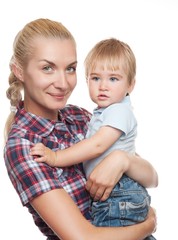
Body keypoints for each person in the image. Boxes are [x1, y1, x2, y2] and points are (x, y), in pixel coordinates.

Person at [4, 18, 158, 240]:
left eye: (70, 69)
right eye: (47, 68)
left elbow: (152, 178)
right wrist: (148, 225)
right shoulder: (23, 145)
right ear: (18, 71)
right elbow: (83, 238)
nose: (63, 83)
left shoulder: (81, 116)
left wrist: (123, 160)